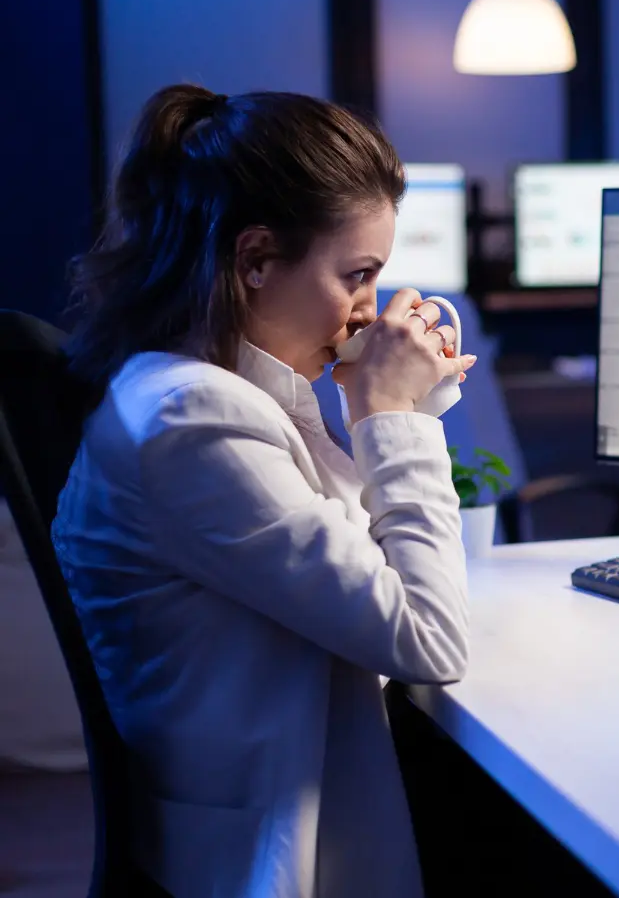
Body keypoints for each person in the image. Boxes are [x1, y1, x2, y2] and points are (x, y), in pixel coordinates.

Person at [51, 84, 476, 897]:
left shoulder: (218, 393)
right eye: (357, 275)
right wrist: (389, 413)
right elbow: (427, 636)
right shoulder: (193, 422)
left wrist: (392, 401)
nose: (365, 309)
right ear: (253, 261)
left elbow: (355, 558)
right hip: (270, 854)